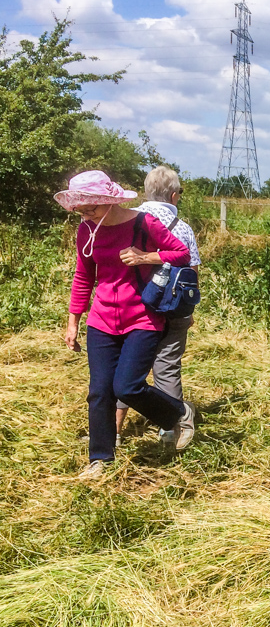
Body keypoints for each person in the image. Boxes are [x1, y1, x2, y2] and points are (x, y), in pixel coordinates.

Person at [57, 170, 193, 480]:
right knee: (100, 391)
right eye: (81, 209)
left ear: (109, 201)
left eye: (91, 207)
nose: (85, 214)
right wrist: (73, 321)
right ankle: (100, 459)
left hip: (142, 318)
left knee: (127, 387)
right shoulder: (86, 230)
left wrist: (146, 257)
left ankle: (178, 413)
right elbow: (83, 277)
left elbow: (182, 254)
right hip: (102, 319)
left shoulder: (143, 223)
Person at [114, 166, 202, 451]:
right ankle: (171, 432)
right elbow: (192, 273)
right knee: (167, 368)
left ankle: (113, 430)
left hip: (133, 306)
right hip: (172, 308)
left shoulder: (127, 220)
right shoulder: (183, 228)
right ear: (174, 195)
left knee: (127, 368)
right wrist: (188, 313)